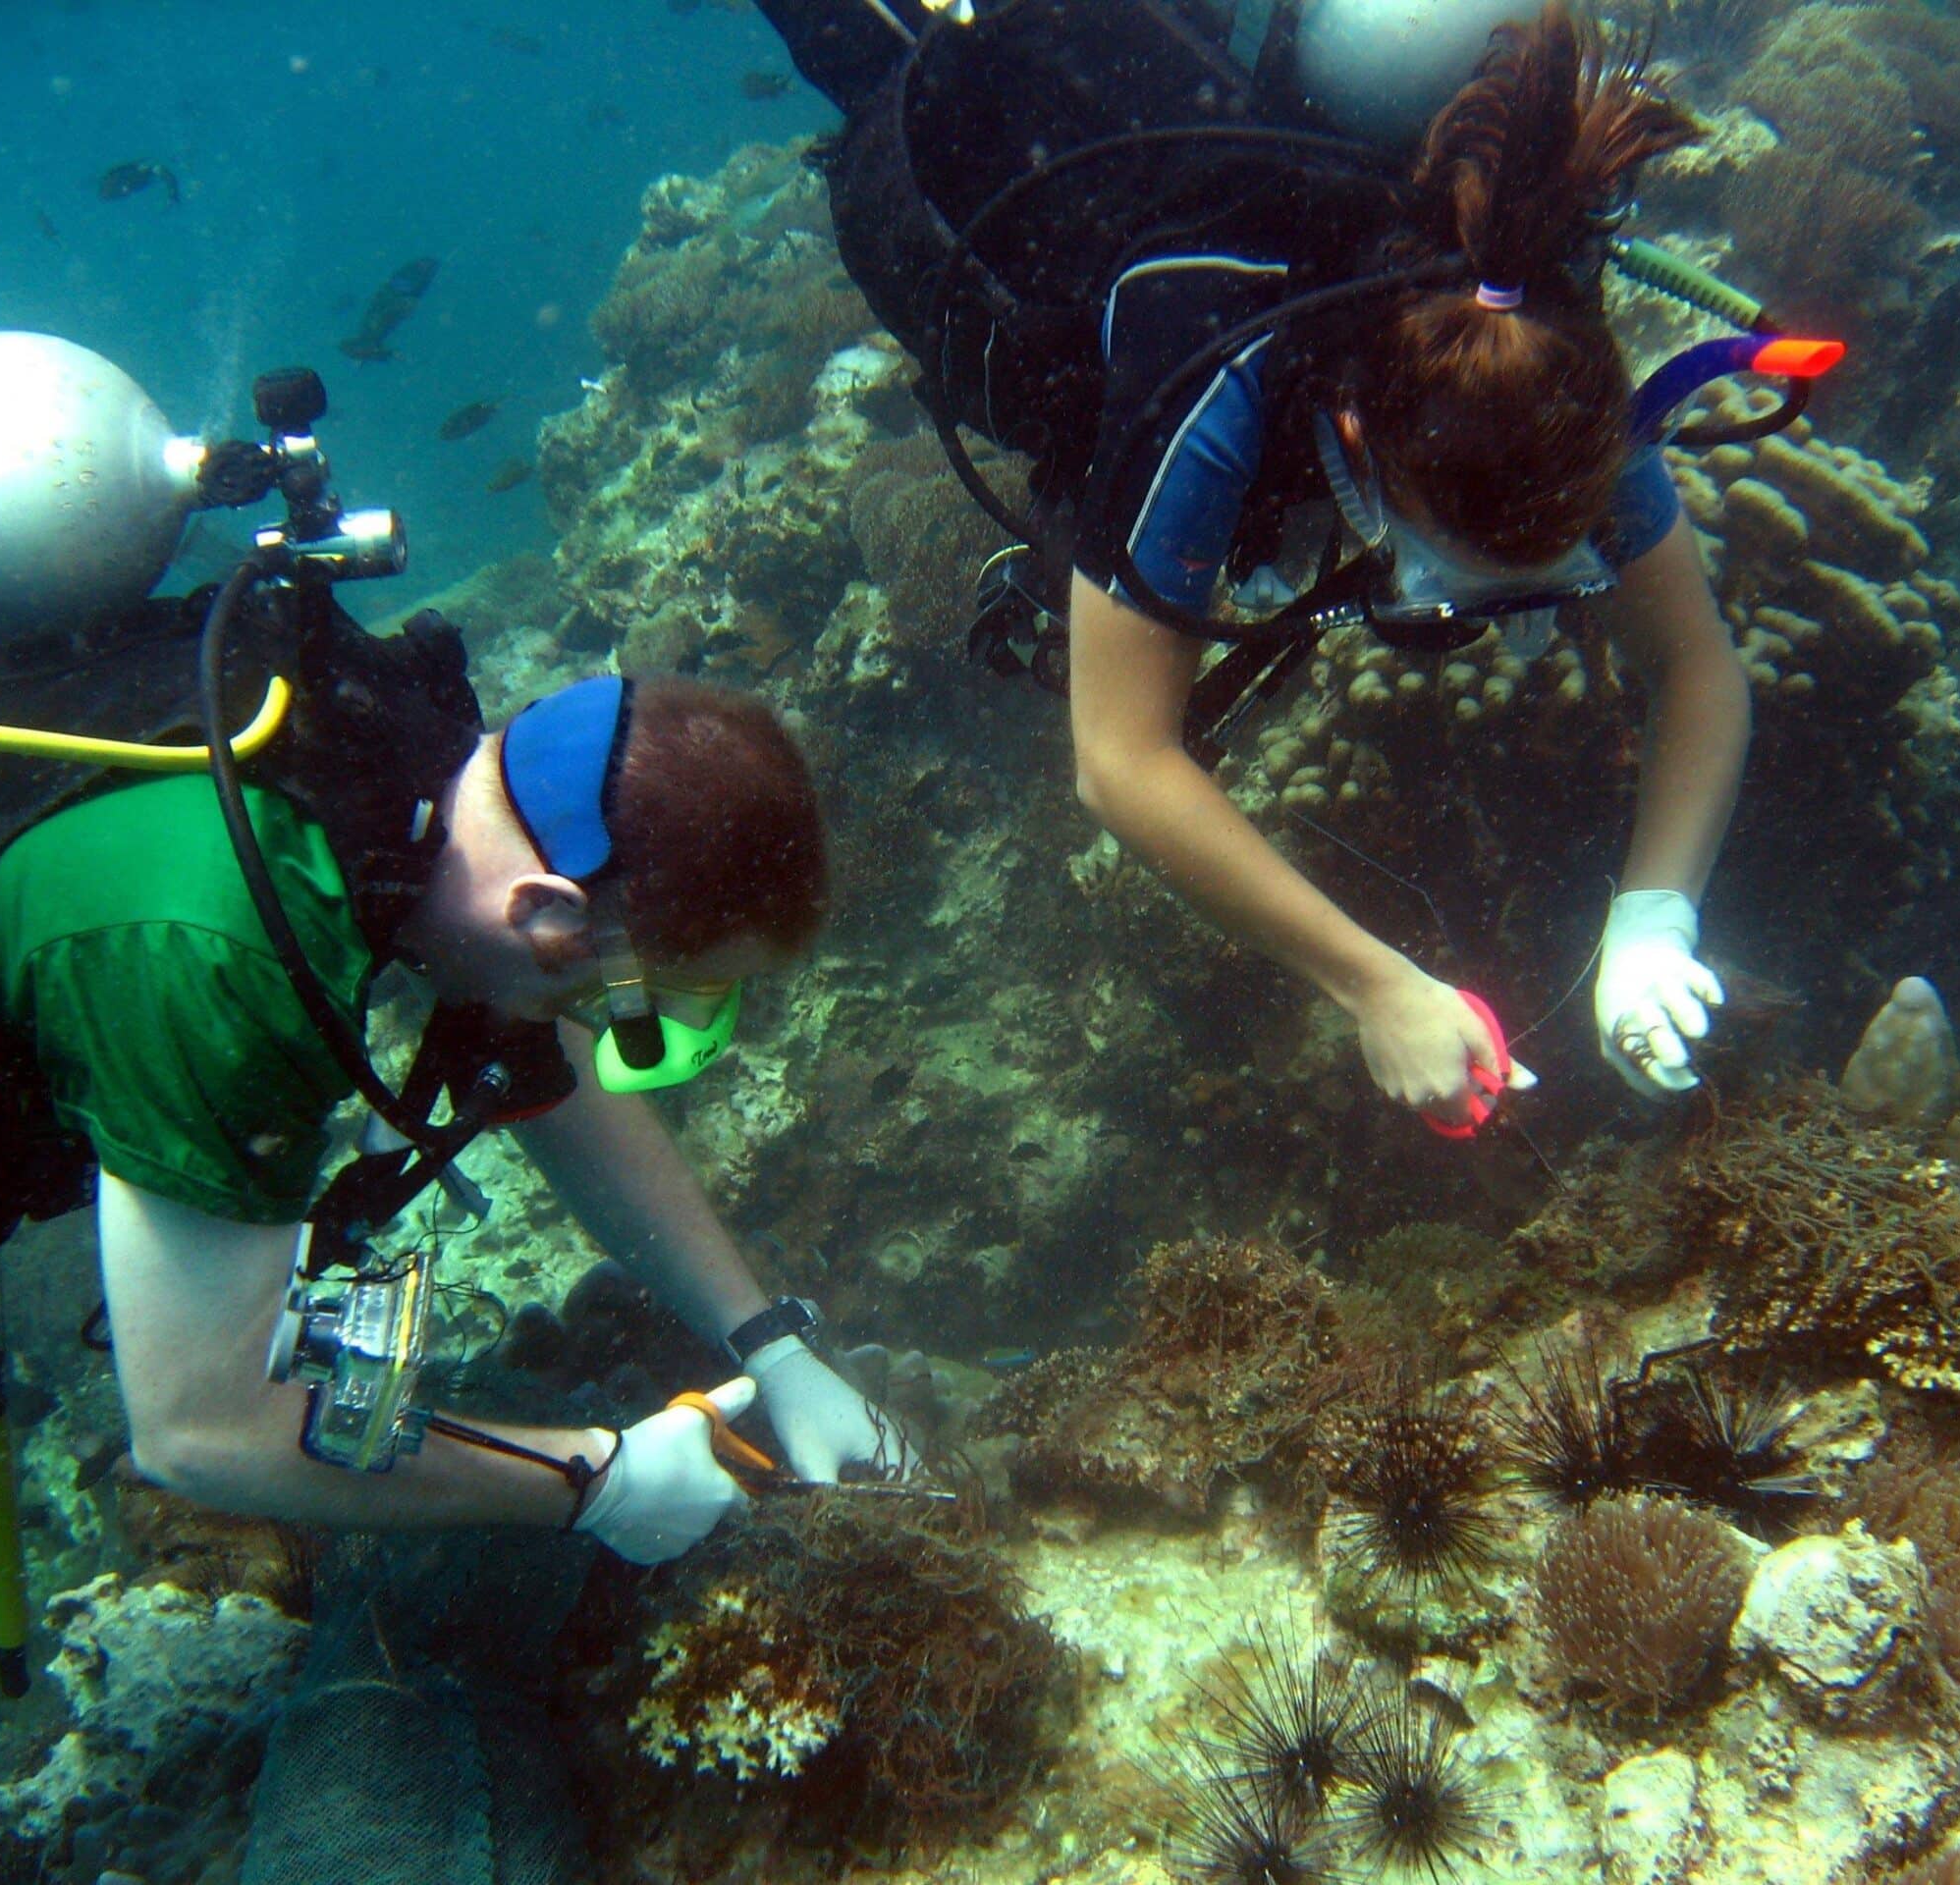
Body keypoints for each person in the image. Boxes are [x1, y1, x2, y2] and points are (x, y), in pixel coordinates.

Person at [751, 0, 1753, 1123]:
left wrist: (1653, 923)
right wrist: (1375, 986)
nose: (1471, 621)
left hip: (1176, 99)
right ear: (1359, 440)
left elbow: (1696, 667)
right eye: (1453, 571)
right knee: (859, 39)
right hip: (960, 170)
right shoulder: (1211, 364)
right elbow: (1119, 760)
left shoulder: (1548, 367)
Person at [0, 666, 907, 1564]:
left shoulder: (449, 773)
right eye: (625, 1002)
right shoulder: (214, 964)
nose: (598, 1026)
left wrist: (768, 1341)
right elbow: (199, 1430)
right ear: (544, 912)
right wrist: (594, 1482)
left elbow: (539, 1060)